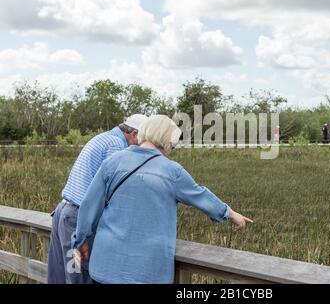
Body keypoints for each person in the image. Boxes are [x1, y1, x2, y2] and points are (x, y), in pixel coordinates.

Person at [71, 115, 253, 284]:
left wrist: (80, 241)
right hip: (147, 272)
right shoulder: (172, 171)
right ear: (168, 140)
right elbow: (200, 195)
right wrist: (229, 213)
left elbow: (89, 206)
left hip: (106, 266)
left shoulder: (114, 161)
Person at [47, 114, 149, 284]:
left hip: (63, 212)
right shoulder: (116, 146)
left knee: (59, 276)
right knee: (79, 276)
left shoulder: (103, 138)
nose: (142, 146)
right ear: (134, 134)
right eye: (142, 140)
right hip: (77, 218)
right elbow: (115, 190)